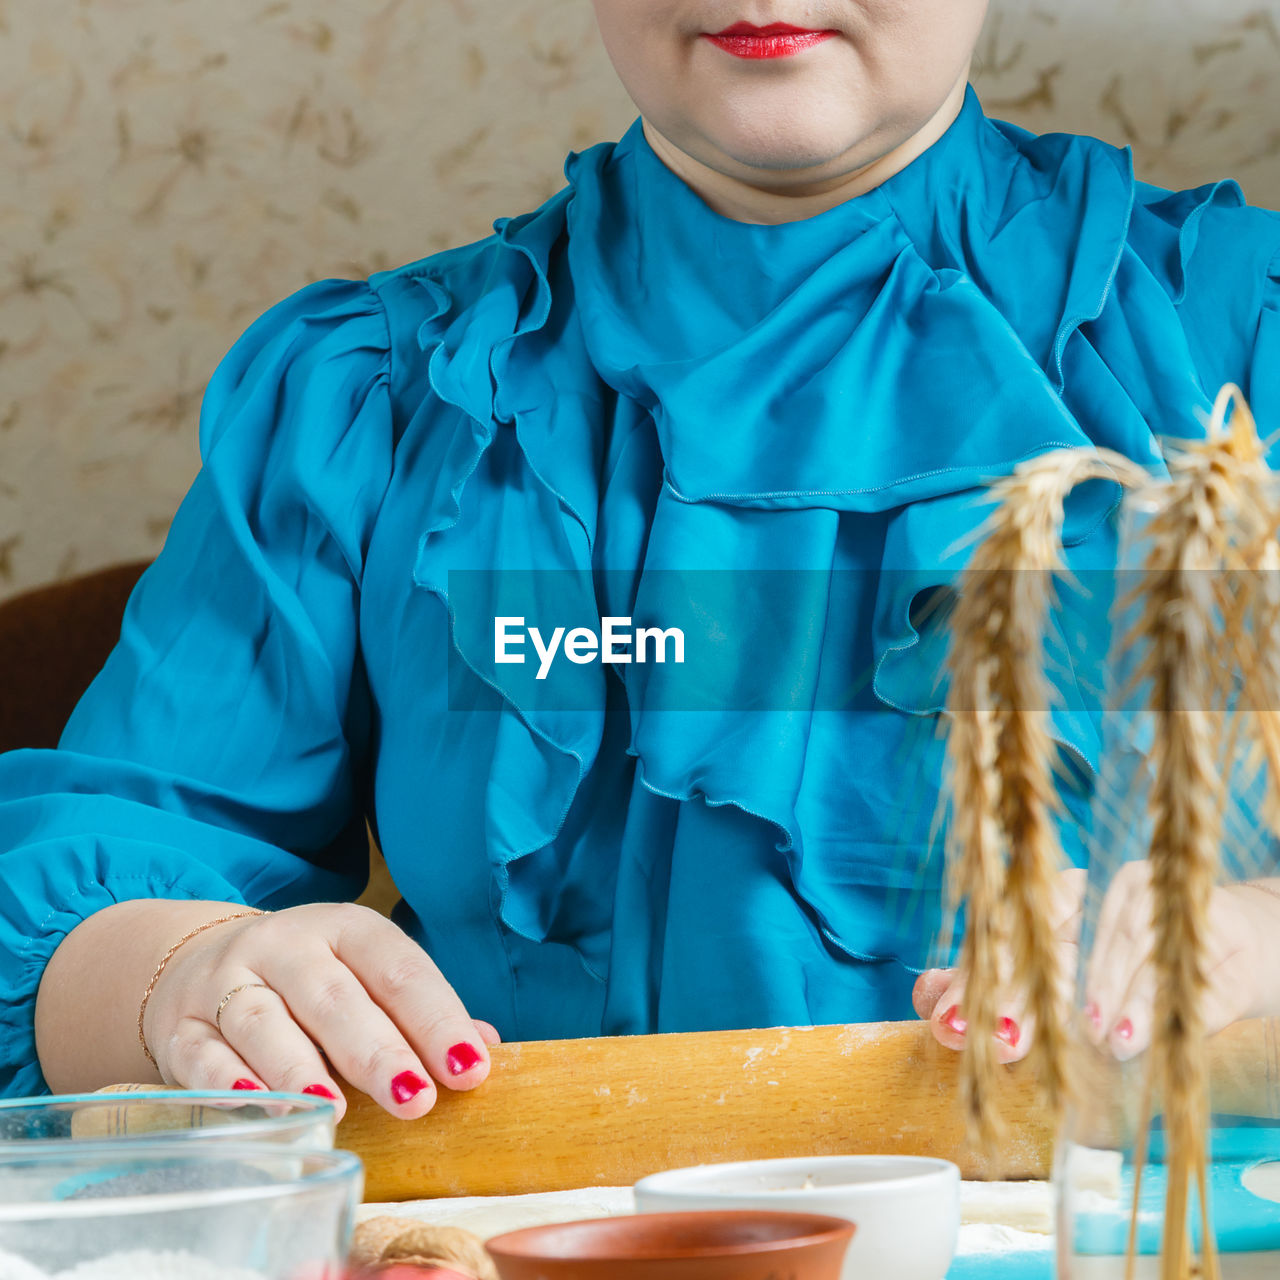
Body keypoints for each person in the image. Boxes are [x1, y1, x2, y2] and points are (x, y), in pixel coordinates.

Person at [4, 1, 1280, 1125]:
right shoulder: (365, 401)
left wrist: (1247, 936)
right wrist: (185, 978)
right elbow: (104, 873)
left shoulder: (1246, 329)